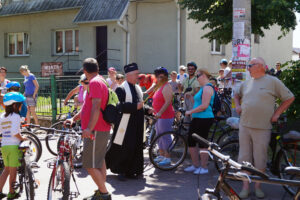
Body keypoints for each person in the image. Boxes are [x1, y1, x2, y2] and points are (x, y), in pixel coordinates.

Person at [234, 57, 295, 199]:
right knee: (244, 157)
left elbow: (289, 97)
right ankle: (245, 187)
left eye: (250, 65)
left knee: (260, 158)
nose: (248, 68)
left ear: (261, 66)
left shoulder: (273, 81)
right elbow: (236, 94)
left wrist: (277, 114)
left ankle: (258, 186)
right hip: (244, 125)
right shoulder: (247, 82)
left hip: (262, 127)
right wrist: (237, 105)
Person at [65, 58, 112, 200]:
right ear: (97, 68)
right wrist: (74, 119)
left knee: (90, 164)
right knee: (99, 161)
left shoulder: (95, 83)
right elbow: (88, 106)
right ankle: (101, 190)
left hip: (96, 129)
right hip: (99, 128)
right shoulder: (100, 80)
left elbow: (96, 107)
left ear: (85, 71)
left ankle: (104, 194)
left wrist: (89, 128)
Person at [106, 63, 145, 181]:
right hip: (125, 124)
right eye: (136, 74)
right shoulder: (121, 89)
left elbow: (141, 103)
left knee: (136, 147)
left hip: (137, 124)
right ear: (128, 75)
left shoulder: (137, 88)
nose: (138, 76)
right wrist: (134, 107)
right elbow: (119, 106)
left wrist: (147, 109)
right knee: (124, 147)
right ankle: (121, 170)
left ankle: (133, 170)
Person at [184, 68, 215, 175]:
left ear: (204, 75)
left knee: (202, 143)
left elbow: (204, 106)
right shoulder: (202, 88)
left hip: (205, 118)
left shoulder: (208, 88)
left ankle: (204, 167)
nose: (197, 78)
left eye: (198, 76)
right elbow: (198, 102)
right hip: (197, 117)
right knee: (191, 141)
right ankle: (195, 164)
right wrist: (191, 98)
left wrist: (190, 111)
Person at [0, 92, 27, 199]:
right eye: (20, 104)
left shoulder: (2, 116)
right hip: (13, 146)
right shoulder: (16, 116)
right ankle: (12, 193)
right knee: (13, 171)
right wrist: (23, 138)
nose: (21, 106)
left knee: (6, 169)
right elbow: (15, 132)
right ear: (15, 105)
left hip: (4, 146)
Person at [152, 67, 175, 166]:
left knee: (165, 136)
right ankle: (161, 155)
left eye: (161, 76)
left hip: (165, 115)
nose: (159, 78)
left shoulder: (167, 86)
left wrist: (160, 112)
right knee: (159, 135)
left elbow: (168, 102)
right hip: (158, 115)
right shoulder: (160, 86)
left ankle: (168, 157)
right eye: (157, 76)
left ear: (165, 76)